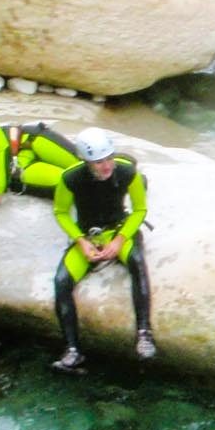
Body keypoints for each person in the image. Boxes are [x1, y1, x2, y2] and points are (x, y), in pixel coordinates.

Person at [50, 127, 155, 372]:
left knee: (138, 263)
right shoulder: (70, 178)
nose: (107, 166)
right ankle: (73, 350)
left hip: (118, 230)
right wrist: (80, 241)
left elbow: (139, 210)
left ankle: (144, 333)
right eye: (98, 162)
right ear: (86, 162)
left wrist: (119, 240)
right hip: (88, 235)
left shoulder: (128, 172)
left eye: (108, 159)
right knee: (61, 281)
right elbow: (61, 212)